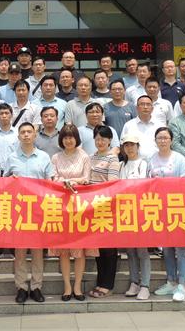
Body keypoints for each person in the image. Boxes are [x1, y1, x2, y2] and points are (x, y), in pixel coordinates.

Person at [5, 122, 55, 304]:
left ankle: (36, 287)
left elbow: (50, 182)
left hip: (38, 210)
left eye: (29, 132)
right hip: (18, 210)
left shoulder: (43, 157)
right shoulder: (11, 158)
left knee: (37, 250)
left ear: (35, 135)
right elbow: (3, 181)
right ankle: (20, 287)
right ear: (18, 136)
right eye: (23, 132)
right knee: (19, 251)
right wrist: (10, 180)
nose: (26, 135)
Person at [49, 125, 93, 301]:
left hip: (80, 208)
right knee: (64, 251)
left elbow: (86, 179)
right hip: (61, 208)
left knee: (80, 250)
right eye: (65, 137)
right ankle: (67, 286)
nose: (68, 140)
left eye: (71, 137)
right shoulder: (56, 157)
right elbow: (53, 178)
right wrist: (67, 181)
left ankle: (78, 287)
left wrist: (69, 181)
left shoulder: (84, 156)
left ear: (76, 138)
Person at [149, 127, 185, 302]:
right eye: (159, 138)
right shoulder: (151, 159)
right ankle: (171, 281)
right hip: (159, 208)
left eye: (166, 138)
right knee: (166, 248)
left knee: (180, 248)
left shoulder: (180, 159)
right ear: (155, 140)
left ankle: (182, 284)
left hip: (176, 207)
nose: (163, 141)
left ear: (171, 140)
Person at [87, 125, 121, 299]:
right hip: (92, 208)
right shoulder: (91, 157)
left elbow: (112, 183)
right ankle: (100, 282)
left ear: (109, 141)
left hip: (107, 207)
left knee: (108, 249)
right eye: (97, 139)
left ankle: (108, 285)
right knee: (98, 249)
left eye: (103, 139)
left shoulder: (112, 158)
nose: (100, 142)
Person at [118, 130, 151, 300]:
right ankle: (134, 282)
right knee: (130, 250)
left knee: (142, 250)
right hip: (125, 211)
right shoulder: (121, 165)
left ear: (138, 146)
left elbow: (146, 186)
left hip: (141, 211)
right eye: (126, 145)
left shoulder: (144, 164)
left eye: (132, 145)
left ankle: (145, 285)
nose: (129, 148)